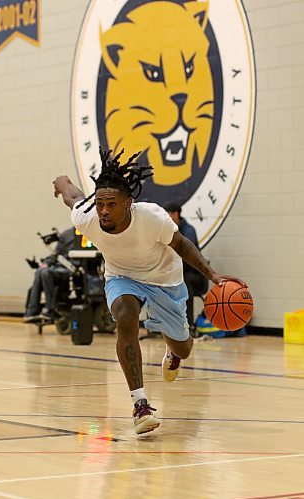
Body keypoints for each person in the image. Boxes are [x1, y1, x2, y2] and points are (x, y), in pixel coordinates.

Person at [53, 148, 245, 435]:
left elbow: (183, 246)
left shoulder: (152, 217)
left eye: (111, 204)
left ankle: (173, 352)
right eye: (101, 203)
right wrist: (62, 182)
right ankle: (139, 404)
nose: (104, 210)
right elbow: (74, 197)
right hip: (122, 278)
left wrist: (213, 275)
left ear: (128, 203)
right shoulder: (88, 217)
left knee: (184, 347)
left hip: (165, 280)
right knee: (125, 316)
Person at [163, 201, 207, 333]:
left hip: (196, 277)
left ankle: (189, 325)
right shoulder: (168, 230)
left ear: (175, 214)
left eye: (168, 215)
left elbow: (185, 253)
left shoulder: (189, 231)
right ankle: (163, 324)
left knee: (184, 281)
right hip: (177, 274)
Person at [24, 227, 76, 323]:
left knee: (45, 272)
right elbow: (55, 254)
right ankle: (32, 311)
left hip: (72, 268)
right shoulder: (67, 234)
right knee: (40, 270)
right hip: (58, 267)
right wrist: (46, 263)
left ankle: (50, 309)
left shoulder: (88, 235)